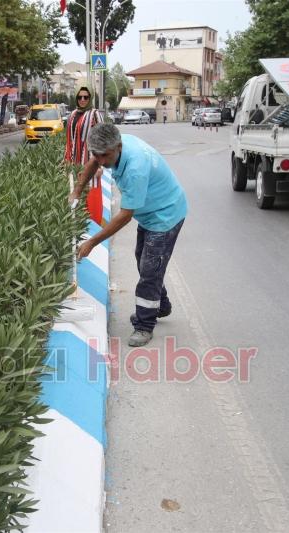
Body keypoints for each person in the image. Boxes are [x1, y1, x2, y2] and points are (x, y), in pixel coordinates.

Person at [72, 124, 187, 347]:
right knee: (143, 261)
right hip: (149, 214)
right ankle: (160, 305)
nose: (101, 161)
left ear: (118, 147)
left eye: (105, 156)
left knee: (150, 269)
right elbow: (94, 161)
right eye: (97, 154)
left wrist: (92, 242)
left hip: (165, 214)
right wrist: (77, 190)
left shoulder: (136, 167)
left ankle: (144, 325)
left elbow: (125, 216)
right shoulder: (110, 146)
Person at [65, 86, 104, 224]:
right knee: (77, 196)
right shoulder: (73, 114)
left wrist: (100, 165)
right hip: (74, 164)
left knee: (91, 198)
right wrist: (66, 159)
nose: (82, 100)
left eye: (85, 97)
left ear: (90, 98)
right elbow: (69, 140)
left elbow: (102, 138)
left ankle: (94, 231)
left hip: (90, 163)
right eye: (80, 97)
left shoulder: (94, 113)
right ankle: (79, 229)